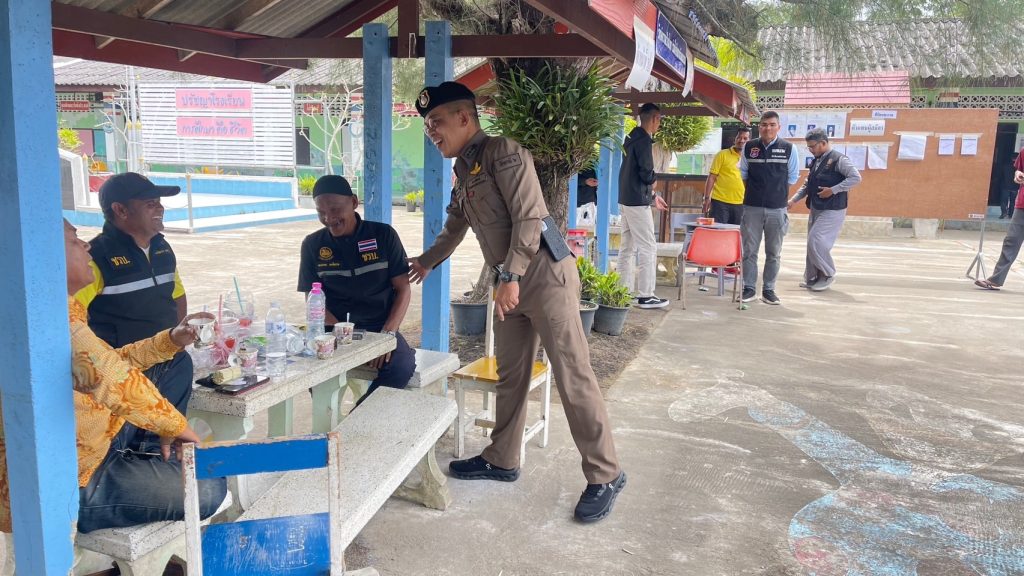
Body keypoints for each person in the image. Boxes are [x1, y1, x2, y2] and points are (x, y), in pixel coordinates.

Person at [409, 81, 625, 523]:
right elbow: (454, 227)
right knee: (510, 374)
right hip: (511, 281)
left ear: (465, 118)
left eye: (437, 122)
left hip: (543, 275)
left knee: (572, 375)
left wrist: (509, 277)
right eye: (427, 125)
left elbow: (529, 216)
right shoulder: (465, 170)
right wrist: (426, 262)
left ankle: (605, 474)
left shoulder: (503, 152)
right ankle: (502, 458)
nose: (431, 132)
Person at [0, 220, 226, 534]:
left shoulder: (59, 307)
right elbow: (111, 377)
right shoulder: (41, 321)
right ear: (41, 256)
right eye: (74, 240)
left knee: (175, 361)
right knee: (209, 487)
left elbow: (111, 363)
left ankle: (150, 454)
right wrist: (177, 426)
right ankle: (111, 488)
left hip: (97, 436)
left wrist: (171, 339)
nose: (86, 245)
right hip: (70, 475)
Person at [75, 172, 194, 450]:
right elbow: (73, 320)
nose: (160, 208)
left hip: (168, 362)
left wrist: (180, 336)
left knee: (163, 444)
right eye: (150, 203)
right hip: (123, 373)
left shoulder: (162, 248)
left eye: (159, 202)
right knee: (122, 447)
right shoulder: (95, 258)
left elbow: (176, 293)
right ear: (121, 210)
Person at [297, 175, 415, 400]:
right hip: (334, 328)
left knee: (401, 367)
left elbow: (403, 289)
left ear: (353, 202)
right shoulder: (312, 245)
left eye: (335, 209)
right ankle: (330, 416)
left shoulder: (383, 235)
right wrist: (339, 334)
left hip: (379, 326)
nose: (328, 218)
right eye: (321, 212)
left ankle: (359, 417)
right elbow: (312, 298)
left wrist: (386, 337)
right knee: (313, 370)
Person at [787, 128, 862, 291]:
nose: (810, 150)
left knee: (816, 241)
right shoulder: (816, 161)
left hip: (833, 209)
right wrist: (793, 200)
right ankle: (812, 277)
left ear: (823, 143)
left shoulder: (839, 159)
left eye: (812, 146)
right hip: (816, 207)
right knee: (811, 243)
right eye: (808, 147)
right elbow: (807, 184)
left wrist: (833, 190)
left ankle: (828, 274)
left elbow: (856, 178)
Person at [739, 111, 801, 305]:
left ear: (779, 127)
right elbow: (744, 174)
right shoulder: (749, 147)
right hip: (752, 208)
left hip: (777, 209)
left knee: (774, 252)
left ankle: (768, 290)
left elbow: (793, 177)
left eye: (772, 124)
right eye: (764, 124)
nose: (768, 128)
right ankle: (749, 288)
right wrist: (756, 193)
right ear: (759, 127)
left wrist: (776, 194)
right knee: (749, 251)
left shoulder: (789, 149)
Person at [618, 103, 670, 309]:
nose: (659, 124)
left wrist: (653, 195)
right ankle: (646, 295)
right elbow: (646, 171)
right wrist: (653, 183)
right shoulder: (644, 140)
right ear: (655, 118)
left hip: (626, 198)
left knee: (627, 248)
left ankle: (622, 291)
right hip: (638, 202)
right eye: (659, 120)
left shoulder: (631, 137)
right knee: (648, 246)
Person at [975, 148, 1024, 290]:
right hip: (1022, 205)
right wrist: (1018, 174)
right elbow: (1019, 170)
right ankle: (996, 279)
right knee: (1011, 241)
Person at [703, 126, 751, 225]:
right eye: (739, 137)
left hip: (741, 203)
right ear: (735, 139)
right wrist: (706, 198)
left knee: (737, 232)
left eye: (745, 138)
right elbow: (712, 177)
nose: (741, 140)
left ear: (749, 141)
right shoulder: (722, 155)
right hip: (719, 202)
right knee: (718, 231)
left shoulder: (751, 158)